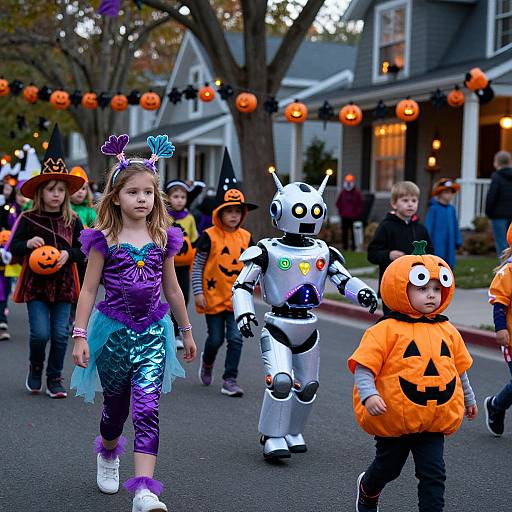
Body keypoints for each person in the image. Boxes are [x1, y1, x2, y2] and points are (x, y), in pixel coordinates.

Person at [70, 133, 197, 512]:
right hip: (113, 335)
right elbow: (89, 290)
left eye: (147, 193)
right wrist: (80, 336)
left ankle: (144, 490)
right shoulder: (103, 238)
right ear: (116, 197)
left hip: (154, 333)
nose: (141, 199)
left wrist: (185, 331)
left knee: (147, 407)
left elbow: (173, 290)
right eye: (133, 192)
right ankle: (108, 452)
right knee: (116, 409)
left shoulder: (163, 237)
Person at [232, 167, 378, 460]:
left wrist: (362, 292)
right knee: (281, 381)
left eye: (313, 211)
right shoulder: (266, 250)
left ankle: (293, 429)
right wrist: (244, 314)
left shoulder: (323, 251)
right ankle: (272, 435)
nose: (307, 217)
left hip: (308, 325)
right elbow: (242, 285)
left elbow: (343, 279)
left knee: (308, 386)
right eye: (300, 211)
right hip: (277, 324)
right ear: (281, 211)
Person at [349, 241, 477, 512]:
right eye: (422, 288)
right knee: (388, 469)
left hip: (433, 417)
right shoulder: (385, 330)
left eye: (436, 289)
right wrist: (369, 394)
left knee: (433, 474)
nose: (431, 295)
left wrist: (468, 397)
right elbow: (364, 366)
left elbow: (457, 369)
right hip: (394, 417)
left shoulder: (448, 331)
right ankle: (368, 487)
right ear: (400, 288)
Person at [9, 124, 85, 398]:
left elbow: (84, 249)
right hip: (36, 287)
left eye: (61, 190)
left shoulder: (73, 220)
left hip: (64, 286)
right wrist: (27, 245)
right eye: (51, 189)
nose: (56, 194)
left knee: (61, 334)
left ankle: (54, 377)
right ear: (40, 192)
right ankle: (35, 367)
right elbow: (13, 248)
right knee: (41, 334)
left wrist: (69, 254)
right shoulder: (28, 219)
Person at [192, 149, 256, 398]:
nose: (233, 216)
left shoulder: (247, 238)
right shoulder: (209, 237)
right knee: (215, 339)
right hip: (213, 296)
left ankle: (230, 378)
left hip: (238, 299)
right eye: (229, 211)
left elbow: (255, 266)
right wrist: (198, 292)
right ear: (220, 213)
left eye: (238, 211)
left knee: (237, 338)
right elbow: (197, 266)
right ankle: (208, 362)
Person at [367, 181, 434, 314]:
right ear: (394, 204)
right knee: (393, 321)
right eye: (405, 200)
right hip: (393, 286)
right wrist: (388, 255)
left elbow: (431, 253)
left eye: (414, 200)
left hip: (417, 285)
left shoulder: (421, 229)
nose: (410, 204)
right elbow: (372, 253)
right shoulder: (386, 226)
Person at [165, 179, 204, 348]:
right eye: (175, 196)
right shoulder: (164, 216)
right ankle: (171, 331)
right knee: (167, 296)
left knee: (184, 296)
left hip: (183, 265)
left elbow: (194, 239)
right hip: (166, 263)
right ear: (168, 198)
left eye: (183, 196)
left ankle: (177, 327)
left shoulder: (189, 218)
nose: (179, 199)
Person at [484, 223, 512, 437]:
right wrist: (501, 329)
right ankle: (496, 405)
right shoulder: (508, 271)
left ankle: (497, 405)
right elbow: (499, 303)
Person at [425, 178, 462, 269]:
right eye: (446, 192)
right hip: (437, 243)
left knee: (449, 264)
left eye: (451, 192)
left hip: (450, 243)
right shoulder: (433, 209)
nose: (450, 195)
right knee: (437, 264)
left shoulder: (451, 209)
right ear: (439, 193)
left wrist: (458, 240)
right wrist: (427, 242)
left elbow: (455, 226)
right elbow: (428, 227)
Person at [485, 150, 512, 257]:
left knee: (502, 246)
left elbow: (491, 196)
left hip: (498, 216)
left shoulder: (497, 177)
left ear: (496, 163)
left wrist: (489, 213)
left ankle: (505, 270)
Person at [336, 173, 363, 251]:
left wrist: (357, 213)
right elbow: (338, 203)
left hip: (354, 217)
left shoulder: (357, 193)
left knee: (353, 233)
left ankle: (353, 247)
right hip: (344, 216)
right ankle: (345, 247)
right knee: (345, 233)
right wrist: (341, 212)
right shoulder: (343, 193)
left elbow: (360, 204)